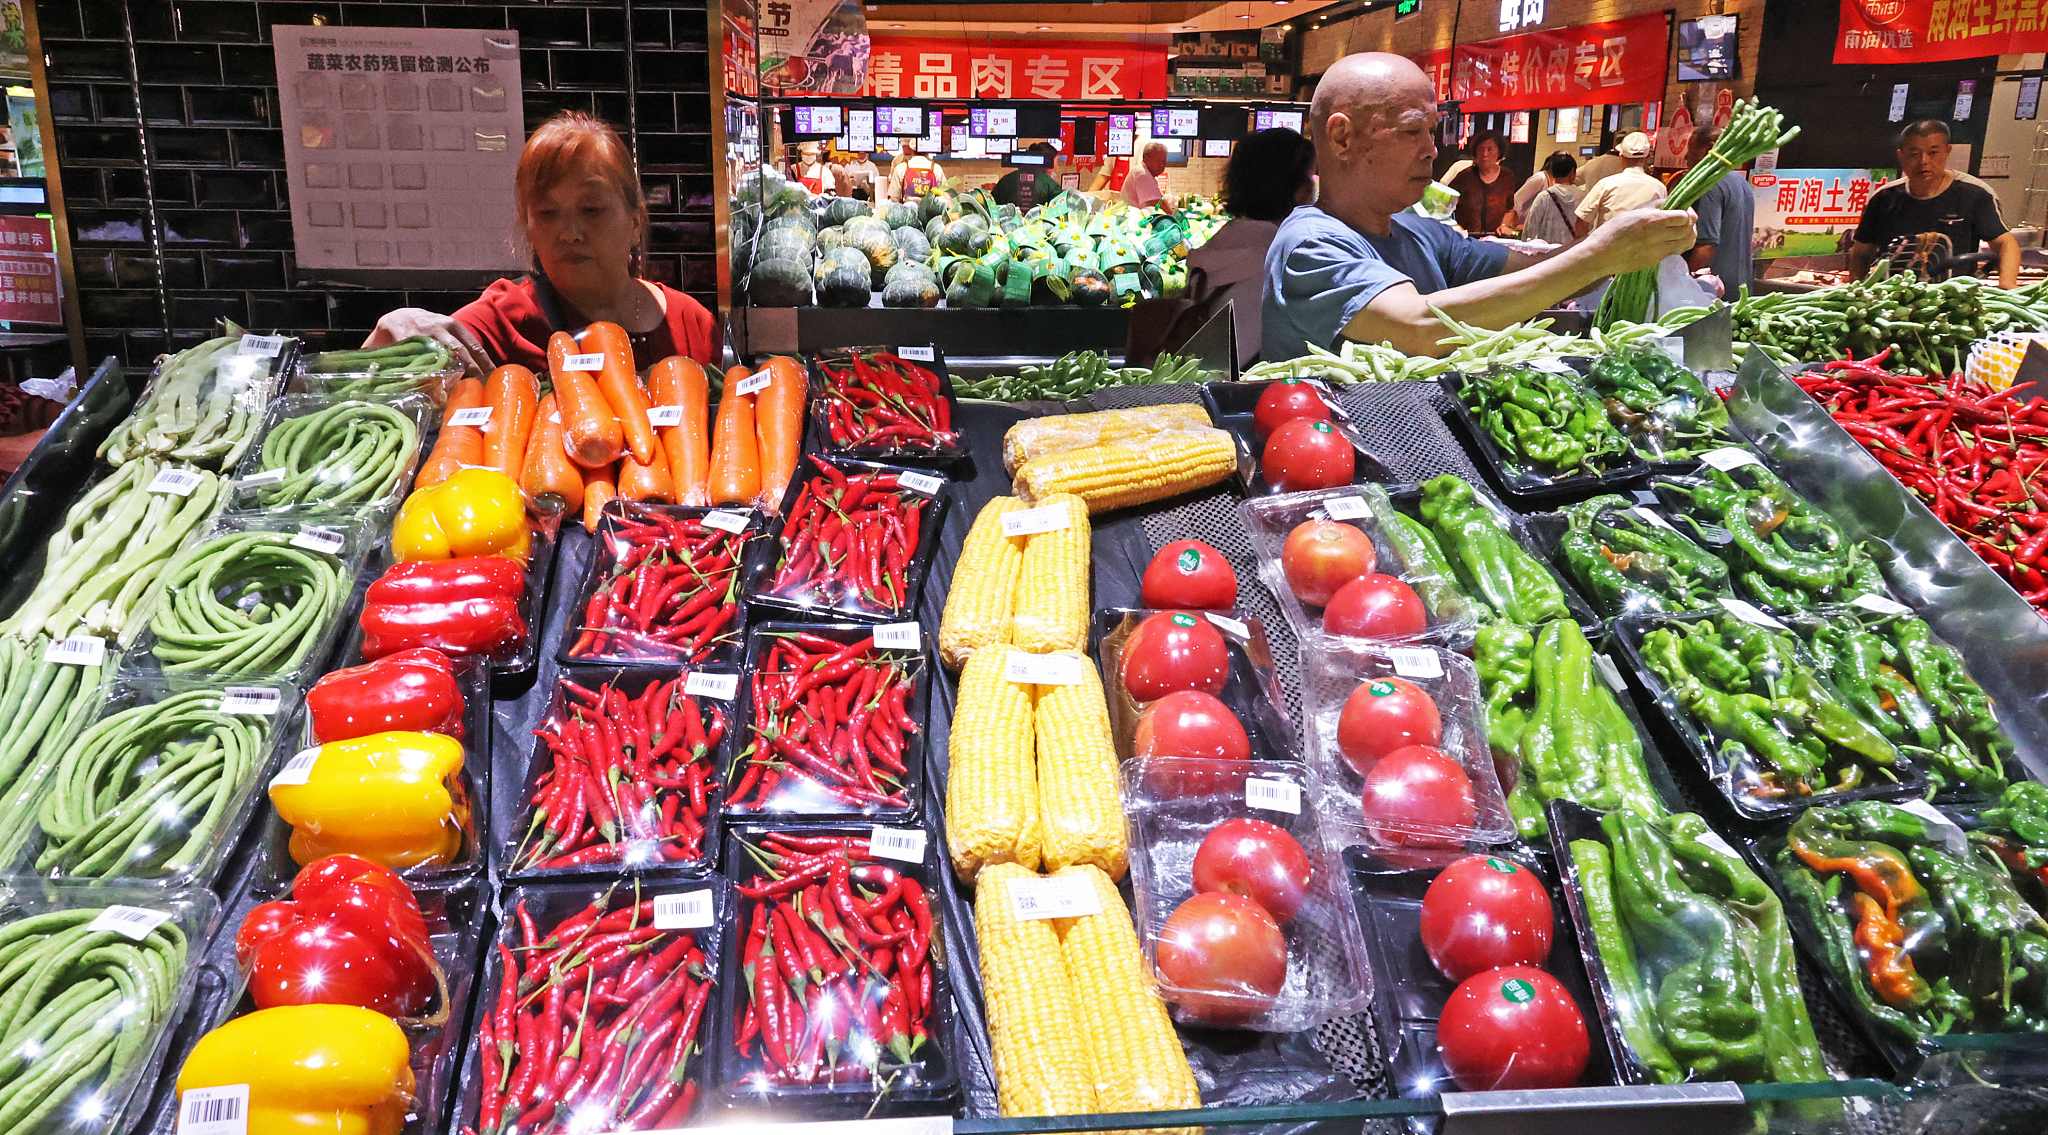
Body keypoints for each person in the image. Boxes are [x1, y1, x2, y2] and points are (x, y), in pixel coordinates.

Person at [1261, 53, 1695, 362]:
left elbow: (1531, 267)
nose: (1432, 150)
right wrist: (1601, 254)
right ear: (1342, 138)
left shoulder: (1415, 231)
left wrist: (1635, 244)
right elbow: (1419, 329)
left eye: (1433, 130)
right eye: (1414, 130)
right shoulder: (1309, 245)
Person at [363, 112, 718, 375]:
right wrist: (391, 338)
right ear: (528, 228)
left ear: (636, 222)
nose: (569, 233)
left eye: (591, 209)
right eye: (547, 213)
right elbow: (373, 394)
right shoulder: (500, 323)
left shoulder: (692, 325)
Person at [1185, 128, 1316, 366]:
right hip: (1254, 390)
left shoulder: (1221, 241)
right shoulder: (1289, 257)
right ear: (1300, 192)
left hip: (1204, 382)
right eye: (1312, 176)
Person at [1849, 120, 2017, 287]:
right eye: (1914, 154)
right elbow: (1861, 254)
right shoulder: (1884, 198)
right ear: (1900, 155)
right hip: (1891, 298)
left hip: (1954, 298)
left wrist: (2007, 287)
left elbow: (2006, 244)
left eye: (1933, 153)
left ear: (1947, 151)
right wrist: (1857, 291)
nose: (1924, 161)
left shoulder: (1975, 194)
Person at [1683, 123, 1755, 294]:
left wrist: (1680, 277)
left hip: (1713, 290)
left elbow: (1707, 244)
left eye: (1691, 150)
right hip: (1739, 285)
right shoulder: (1740, 182)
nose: (1686, 157)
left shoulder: (1709, 184)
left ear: (1710, 148)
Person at [1574, 132, 1665, 236]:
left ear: (1621, 156)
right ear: (1648, 157)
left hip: (1608, 248)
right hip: (1644, 249)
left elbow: (1582, 220)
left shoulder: (1606, 184)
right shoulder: (1659, 187)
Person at [1449, 133, 1517, 236]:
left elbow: (1510, 208)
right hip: (1467, 238)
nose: (1485, 154)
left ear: (1499, 152)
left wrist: (1504, 226)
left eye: (1490, 149)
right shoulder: (1464, 176)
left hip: (1495, 239)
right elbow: (1446, 206)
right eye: (1481, 149)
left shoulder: (1507, 176)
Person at [1516, 151, 1583, 247]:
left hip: (1546, 252)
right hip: (1571, 251)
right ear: (1572, 172)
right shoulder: (1582, 196)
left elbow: (1530, 229)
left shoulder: (1544, 196)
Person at [993, 143, 1062, 208]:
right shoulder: (1051, 186)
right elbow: (1060, 209)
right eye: (1057, 161)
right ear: (1049, 163)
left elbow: (992, 204)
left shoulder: (1006, 180)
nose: (1057, 166)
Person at [1123, 142, 1169, 209]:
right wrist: (1174, 217)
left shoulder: (1144, 171)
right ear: (1145, 158)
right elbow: (1157, 205)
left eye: (1163, 161)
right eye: (1158, 161)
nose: (1161, 165)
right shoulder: (1142, 174)